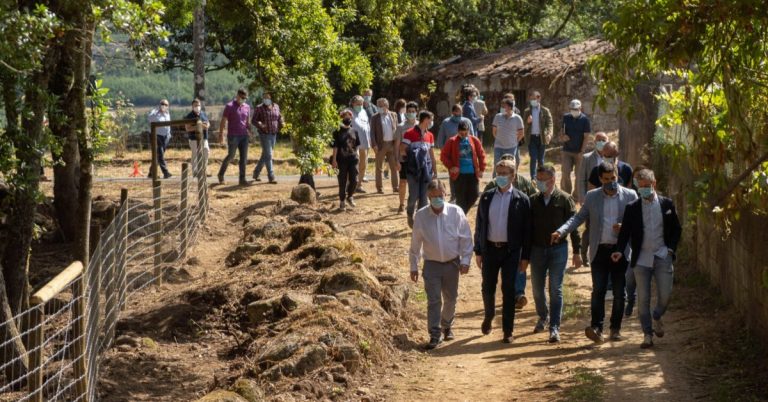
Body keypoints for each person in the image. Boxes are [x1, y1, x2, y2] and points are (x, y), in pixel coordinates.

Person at [552, 162, 637, 343]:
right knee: (598, 290)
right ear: (600, 179)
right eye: (606, 179)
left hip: (621, 251)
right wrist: (561, 231)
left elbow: (640, 222)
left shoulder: (630, 196)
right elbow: (578, 217)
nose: (610, 182)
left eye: (613, 178)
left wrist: (626, 227)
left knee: (619, 292)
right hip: (599, 250)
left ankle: (615, 328)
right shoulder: (592, 197)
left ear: (617, 176)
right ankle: (597, 328)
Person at [611, 168, 682, 348]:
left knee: (665, 295)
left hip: (662, 255)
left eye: (647, 186)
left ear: (654, 184)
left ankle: (657, 315)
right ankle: (647, 335)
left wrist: (671, 250)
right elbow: (625, 232)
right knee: (643, 299)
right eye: (640, 187)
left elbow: (676, 229)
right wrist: (619, 250)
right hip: (641, 258)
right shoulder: (632, 208)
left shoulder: (667, 205)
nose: (643, 190)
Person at [409, 179, 473, 350]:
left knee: (451, 298)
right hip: (431, 264)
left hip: (452, 263)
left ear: (445, 194)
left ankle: (447, 325)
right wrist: (413, 266)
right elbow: (415, 243)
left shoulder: (456, 212)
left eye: (440, 196)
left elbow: (466, 238)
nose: (437, 199)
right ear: (428, 196)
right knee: (434, 300)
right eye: (433, 196)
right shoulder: (421, 216)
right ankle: (434, 334)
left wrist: (466, 260)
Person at [474, 160, 532, 344]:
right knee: (487, 287)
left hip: (511, 251)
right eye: (498, 173)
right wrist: (478, 250)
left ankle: (508, 330)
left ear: (513, 176)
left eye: (504, 173)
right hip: (490, 249)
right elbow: (480, 225)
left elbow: (526, 232)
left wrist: (525, 257)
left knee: (508, 290)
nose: (500, 176)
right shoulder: (487, 197)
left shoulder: (522, 199)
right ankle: (489, 315)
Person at [529, 163, 581, 343]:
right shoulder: (533, 200)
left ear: (553, 179)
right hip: (536, 249)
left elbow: (573, 226)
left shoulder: (564, 199)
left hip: (558, 250)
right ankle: (543, 316)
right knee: (537, 288)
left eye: (543, 179)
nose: (540, 183)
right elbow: (527, 229)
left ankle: (554, 327)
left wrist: (577, 251)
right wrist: (525, 255)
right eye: (538, 179)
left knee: (555, 288)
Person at [483, 153, 536, 310]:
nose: (502, 176)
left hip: (516, 234)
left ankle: (519, 294)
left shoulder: (525, 184)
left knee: (520, 264)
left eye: (507, 171)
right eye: (500, 172)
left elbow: (533, 201)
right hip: (496, 235)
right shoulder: (491, 186)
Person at [576, 132, 610, 268]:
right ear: (594, 142)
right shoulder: (587, 158)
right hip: (592, 199)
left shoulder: (612, 158)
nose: (601, 142)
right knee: (590, 228)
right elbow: (581, 179)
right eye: (598, 140)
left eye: (603, 140)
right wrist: (582, 197)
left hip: (609, 197)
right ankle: (584, 254)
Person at [402, 111, 438, 228]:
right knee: (414, 195)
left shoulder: (430, 135)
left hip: (426, 170)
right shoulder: (409, 133)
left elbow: (432, 154)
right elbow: (403, 150)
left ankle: (420, 221)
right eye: (430, 119)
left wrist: (435, 170)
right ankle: (409, 213)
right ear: (425, 119)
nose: (431, 122)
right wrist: (413, 154)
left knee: (423, 197)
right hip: (413, 170)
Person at [440, 121, 486, 214]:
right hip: (459, 175)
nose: (464, 135)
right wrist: (451, 166)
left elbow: (481, 155)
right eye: (461, 133)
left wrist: (481, 169)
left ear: (469, 131)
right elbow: (443, 156)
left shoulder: (474, 140)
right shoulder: (452, 141)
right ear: (457, 131)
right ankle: (461, 216)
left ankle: (462, 213)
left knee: (474, 195)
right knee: (460, 198)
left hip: (473, 173)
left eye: (466, 133)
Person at [437, 104, 476, 202]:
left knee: (466, 174)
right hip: (452, 154)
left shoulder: (467, 121)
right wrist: (444, 152)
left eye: (460, 112)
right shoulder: (446, 123)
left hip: (466, 153)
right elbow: (440, 139)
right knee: (453, 175)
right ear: (453, 112)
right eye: (457, 113)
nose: (459, 115)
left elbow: (472, 137)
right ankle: (454, 195)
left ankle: (464, 194)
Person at [218, 88, 253, 185]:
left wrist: (250, 131)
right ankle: (221, 175)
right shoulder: (229, 106)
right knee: (231, 155)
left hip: (244, 136)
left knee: (244, 157)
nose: (243, 99)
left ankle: (242, 179)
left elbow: (247, 121)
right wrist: (221, 134)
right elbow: (223, 120)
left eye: (245, 98)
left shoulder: (247, 107)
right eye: (242, 97)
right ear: (237, 95)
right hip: (233, 135)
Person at [559, 99, 591, 197]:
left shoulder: (585, 120)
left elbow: (586, 137)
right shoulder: (566, 117)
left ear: (580, 108)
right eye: (572, 109)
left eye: (576, 109)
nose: (574, 110)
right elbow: (561, 132)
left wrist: (582, 151)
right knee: (565, 172)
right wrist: (562, 137)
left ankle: (577, 196)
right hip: (567, 151)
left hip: (579, 152)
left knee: (579, 175)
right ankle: (565, 194)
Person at [331, 110, 361, 211]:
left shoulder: (354, 131)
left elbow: (356, 145)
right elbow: (335, 147)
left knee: (354, 180)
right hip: (341, 160)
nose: (347, 119)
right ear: (341, 118)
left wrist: (357, 156)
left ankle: (350, 196)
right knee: (342, 181)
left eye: (349, 116)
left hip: (353, 159)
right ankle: (342, 201)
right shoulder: (337, 131)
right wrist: (334, 160)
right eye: (345, 117)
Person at [251, 92, 283, 184]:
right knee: (269, 155)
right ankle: (271, 176)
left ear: (270, 98)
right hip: (264, 134)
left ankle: (256, 173)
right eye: (264, 98)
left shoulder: (276, 106)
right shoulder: (259, 108)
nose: (266, 99)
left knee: (265, 155)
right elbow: (254, 120)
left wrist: (282, 122)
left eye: (267, 98)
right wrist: (260, 124)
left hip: (274, 133)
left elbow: (279, 117)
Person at [370, 98, 399, 194]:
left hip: (392, 144)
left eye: (381, 105)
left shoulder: (393, 115)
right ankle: (379, 188)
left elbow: (397, 129)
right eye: (378, 105)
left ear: (387, 106)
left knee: (394, 167)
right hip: (380, 145)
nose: (379, 107)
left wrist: (397, 144)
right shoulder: (375, 117)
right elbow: (372, 133)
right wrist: (374, 145)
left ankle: (395, 187)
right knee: (379, 168)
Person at [523, 91, 553, 180]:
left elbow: (550, 124)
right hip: (531, 138)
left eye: (534, 99)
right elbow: (523, 125)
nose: (532, 101)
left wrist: (549, 134)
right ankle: (533, 178)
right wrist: (527, 122)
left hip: (542, 138)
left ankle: (541, 176)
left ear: (539, 98)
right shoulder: (527, 111)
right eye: (531, 99)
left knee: (541, 159)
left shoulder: (545, 111)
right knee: (533, 157)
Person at [395, 102, 419, 213]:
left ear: (416, 112)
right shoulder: (400, 127)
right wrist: (396, 160)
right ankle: (401, 204)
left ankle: (414, 203)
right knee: (403, 182)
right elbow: (396, 145)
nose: (411, 114)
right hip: (404, 159)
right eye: (409, 111)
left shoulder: (420, 125)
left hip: (417, 159)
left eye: (413, 112)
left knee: (415, 182)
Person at [492, 99, 524, 177]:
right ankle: (494, 184)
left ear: (510, 107)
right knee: (497, 165)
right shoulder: (498, 116)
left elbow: (521, 133)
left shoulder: (517, 118)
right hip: (498, 147)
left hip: (511, 148)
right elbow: (494, 131)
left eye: (504, 106)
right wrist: (499, 139)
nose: (502, 108)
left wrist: (515, 142)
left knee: (510, 167)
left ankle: (511, 183)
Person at [350, 95, 372, 193]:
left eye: (361, 104)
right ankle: (350, 184)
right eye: (358, 104)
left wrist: (370, 139)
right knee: (354, 164)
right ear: (353, 103)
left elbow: (367, 126)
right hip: (353, 143)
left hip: (365, 142)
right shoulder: (348, 112)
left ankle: (359, 185)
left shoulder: (363, 112)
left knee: (363, 164)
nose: (360, 105)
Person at [183, 98, 210, 176]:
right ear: (192, 106)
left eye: (198, 105)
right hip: (193, 139)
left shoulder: (203, 114)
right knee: (195, 154)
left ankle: (203, 170)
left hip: (204, 138)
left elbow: (208, 124)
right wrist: (199, 126)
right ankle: (195, 172)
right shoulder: (189, 116)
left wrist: (199, 125)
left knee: (206, 151)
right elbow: (188, 128)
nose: (197, 107)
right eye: (195, 105)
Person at [147, 98, 173, 179]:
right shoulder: (155, 112)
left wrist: (169, 134)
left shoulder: (167, 113)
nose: (164, 106)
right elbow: (149, 119)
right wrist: (156, 112)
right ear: (159, 104)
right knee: (160, 154)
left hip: (166, 136)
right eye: (162, 104)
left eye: (166, 105)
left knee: (158, 155)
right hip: (156, 136)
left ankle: (151, 172)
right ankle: (166, 172)